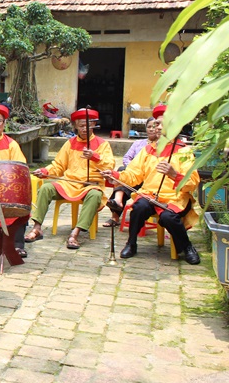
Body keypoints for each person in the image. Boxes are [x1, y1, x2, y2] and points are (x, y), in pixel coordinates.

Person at [100, 105, 201, 264]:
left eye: (163, 124)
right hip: (150, 195)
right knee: (139, 208)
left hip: (175, 198)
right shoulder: (147, 150)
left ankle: (187, 246)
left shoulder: (184, 151)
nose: (158, 127)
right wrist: (115, 175)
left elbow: (193, 182)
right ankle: (131, 243)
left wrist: (174, 175)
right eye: (157, 124)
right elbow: (133, 175)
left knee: (169, 216)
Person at [26, 108, 115, 249]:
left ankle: (75, 233)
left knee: (95, 194)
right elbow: (58, 165)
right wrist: (44, 171)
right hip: (69, 183)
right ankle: (37, 228)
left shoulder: (102, 144)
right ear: (75, 126)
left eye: (88, 125)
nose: (85, 128)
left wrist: (95, 156)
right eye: (81, 125)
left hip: (90, 185)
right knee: (46, 188)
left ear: (94, 125)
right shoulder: (70, 143)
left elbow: (110, 165)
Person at [104, 116, 158, 227]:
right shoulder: (138, 143)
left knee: (125, 181)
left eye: (154, 127)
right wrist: (133, 168)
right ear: (145, 129)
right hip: (134, 175)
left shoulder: (161, 147)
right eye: (149, 127)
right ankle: (117, 205)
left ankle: (116, 207)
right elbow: (126, 158)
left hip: (149, 179)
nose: (151, 129)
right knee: (123, 171)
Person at [0, 104, 29, 257]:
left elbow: (19, 168)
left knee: (19, 203)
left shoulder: (11, 144)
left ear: (4, 124)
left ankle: (17, 244)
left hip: (6, 189)